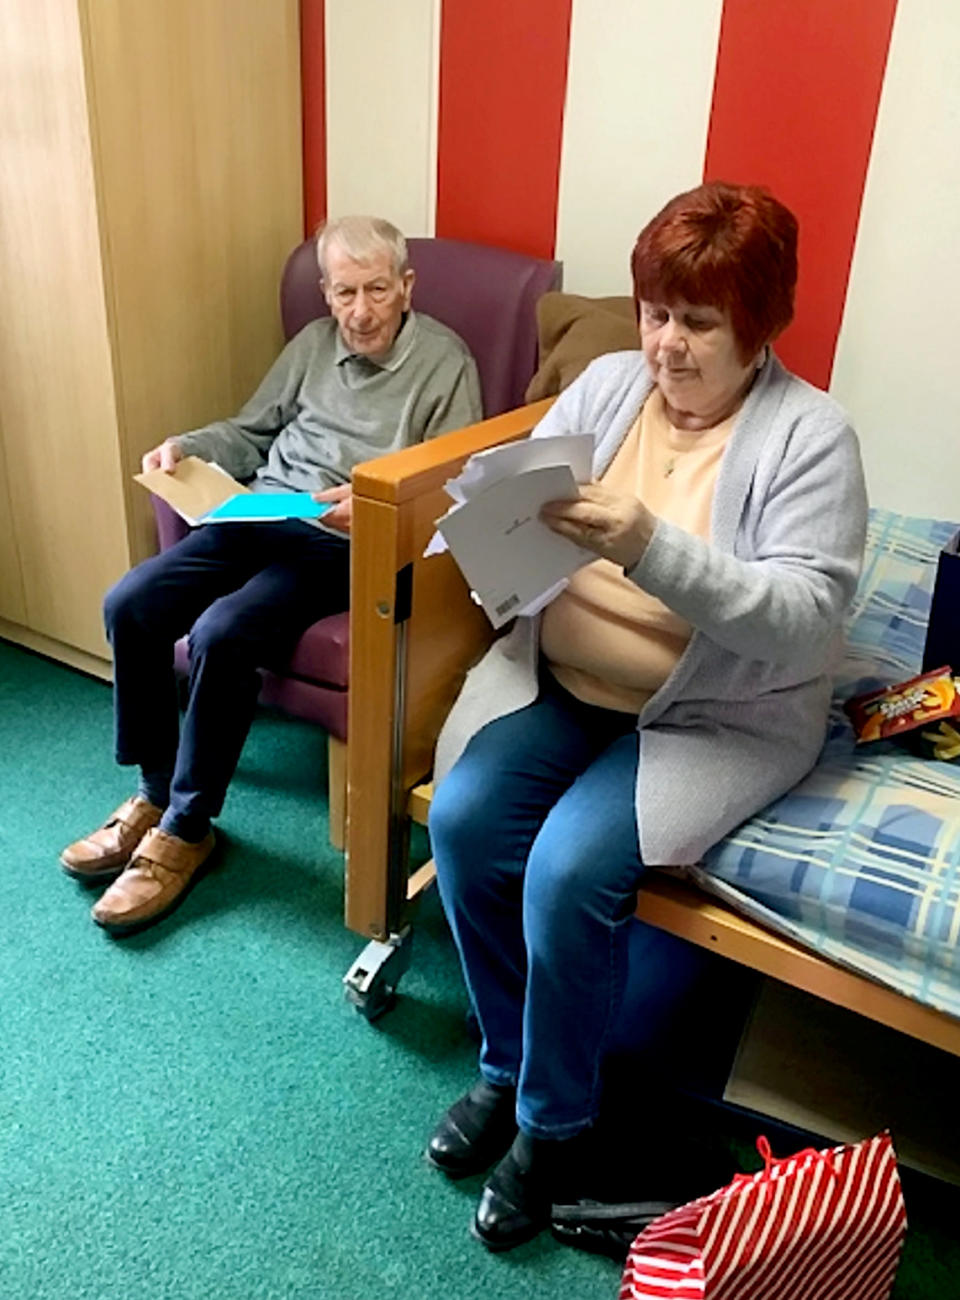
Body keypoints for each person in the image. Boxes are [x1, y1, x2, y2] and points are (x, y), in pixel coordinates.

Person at [424, 182, 868, 1251]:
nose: (666, 346)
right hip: (564, 680)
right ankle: (509, 1060)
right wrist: (490, 540)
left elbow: (807, 621)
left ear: (758, 325)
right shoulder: (609, 386)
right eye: (655, 311)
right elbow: (521, 528)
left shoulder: (812, 437)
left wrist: (646, 546)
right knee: (464, 822)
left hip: (712, 712)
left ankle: (551, 1128)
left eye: (699, 322)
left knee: (569, 869)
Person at [60, 215, 482, 936]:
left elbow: (456, 481)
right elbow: (254, 428)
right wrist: (187, 446)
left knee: (225, 631)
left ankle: (189, 829)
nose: (361, 311)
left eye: (377, 289)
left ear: (406, 286)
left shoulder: (446, 362)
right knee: (131, 603)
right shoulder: (313, 345)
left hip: (345, 538)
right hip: (262, 509)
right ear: (325, 292)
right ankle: (154, 794)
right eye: (344, 292)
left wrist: (378, 506)